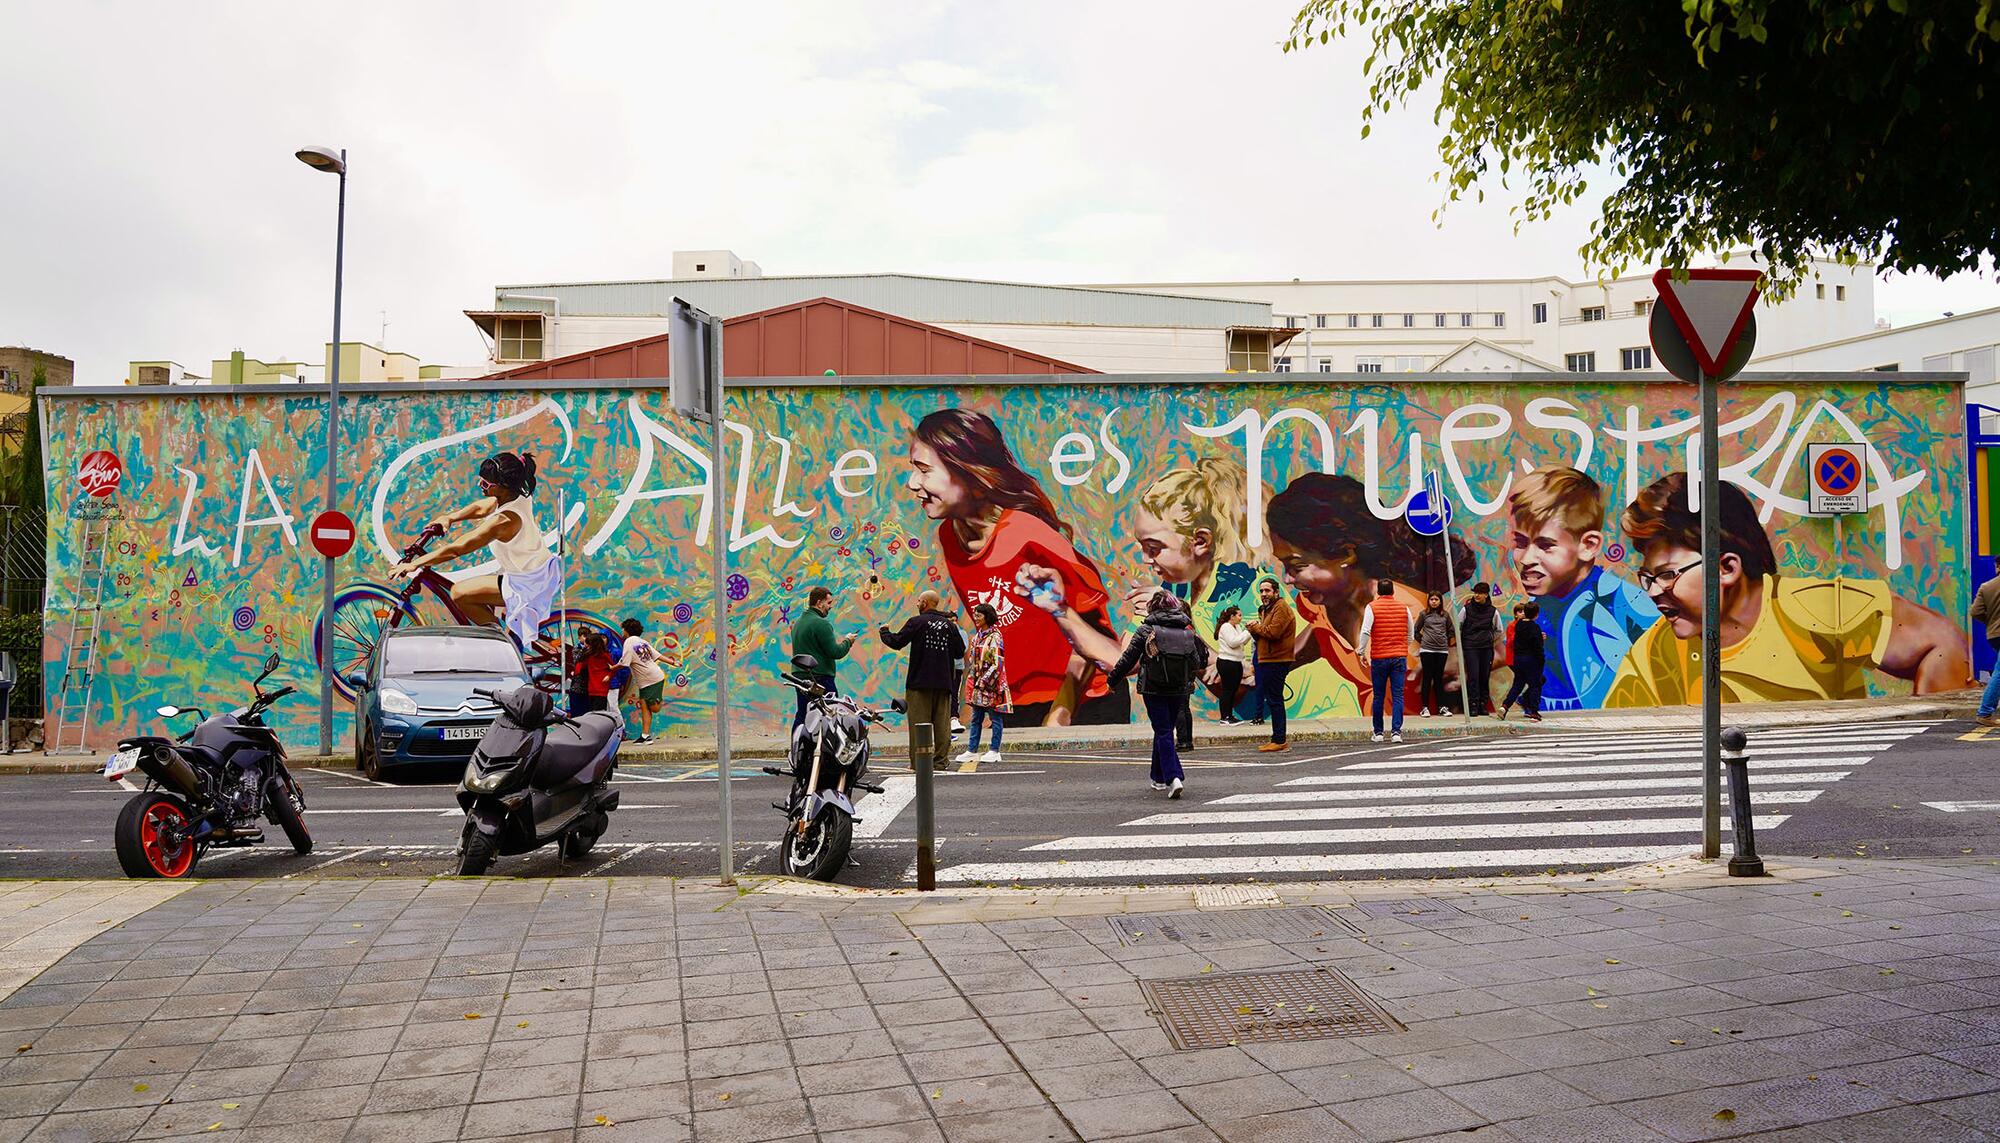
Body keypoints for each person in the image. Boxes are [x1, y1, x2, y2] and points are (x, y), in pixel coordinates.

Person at [1605, 473, 1968, 705]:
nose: (1653, 592)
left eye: (1667, 575)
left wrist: (1921, 748)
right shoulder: (1655, 654)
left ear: (1727, 567)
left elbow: (1941, 643)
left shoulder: (1812, 611)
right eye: (1647, 578)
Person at [907, 408, 1125, 726]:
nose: (913, 483)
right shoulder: (950, 536)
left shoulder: (1029, 535)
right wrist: (970, 714)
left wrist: (1059, 715)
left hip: (1082, 702)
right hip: (1012, 703)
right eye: (914, 469)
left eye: (925, 471)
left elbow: (1093, 637)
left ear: (969, 472)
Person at [1265, 473, 1475, 719]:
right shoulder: (1323, 603)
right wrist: (1261, 668)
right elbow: (1320, 637)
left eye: (1297, 566)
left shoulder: (1402, 613)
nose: (1287, 579)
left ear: (1346, 555)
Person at [1507, 467, 1659, 710]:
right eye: (1520, 543)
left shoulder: (1627, 607)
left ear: (1588, 545)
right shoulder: (1538, 606)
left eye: (1545, 545)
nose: (1526, 558)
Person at [1130, 456, 1266, 722]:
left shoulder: (1250, 585)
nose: (1146, 559)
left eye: (1155, 548)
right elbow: (1123, 660)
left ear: (1201, 541)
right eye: (1142, 547)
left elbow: (1241, 687)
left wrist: (1181, 633)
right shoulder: (1174, 589)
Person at [389, 451, 561, 654]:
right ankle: (503, 633)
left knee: (460, 593)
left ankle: (505, 645)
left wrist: (415, 564)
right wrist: (450, 518)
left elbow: (457, 549)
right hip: (538, 570)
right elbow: (482, 507)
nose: (481, 484)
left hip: (528, 582)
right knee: (478, 591)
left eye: (487, 483)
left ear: (503, 486)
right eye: (481, 480)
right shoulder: (518, 496)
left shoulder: (504, 522)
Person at [1107, 592, 1210, 799]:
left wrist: (1112, 681)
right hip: (1179, 689)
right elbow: (1199, 662)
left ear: (1152, 607)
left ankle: (1174, 777)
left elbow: (1128, 659)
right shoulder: (1187, 630)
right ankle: (1158, 777)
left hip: (1153, 689)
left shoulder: (1146, 630)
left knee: (1163, 730)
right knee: (1164, 730)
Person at [880, 591, 965, 773]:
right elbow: (959, 652)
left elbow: (897, 642)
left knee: (919, 724)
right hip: (943, 683)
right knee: (942, 725)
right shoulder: (950, 626)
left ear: (925, 603)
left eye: (919, 601)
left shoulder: (916, 622)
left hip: (919, 682)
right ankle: (940, 762)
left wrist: (884, 631)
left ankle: (918, 763)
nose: (917, 604)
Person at [1242, 577, 1297, 753]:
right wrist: (1255, 629)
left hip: (1277, 660)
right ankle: (1276, 738)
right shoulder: (1269, 609)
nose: (1264, 594)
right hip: (1268, 659)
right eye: (1262, 591)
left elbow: (1273, 633)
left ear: (1276, 592)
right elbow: (1263, 636)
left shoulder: (1281, 607)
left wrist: (1255, 627)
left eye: (1267, 590)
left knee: (1275, 700)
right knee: (1273, 699)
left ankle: (1280, 740)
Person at [790, 586, 857, 730]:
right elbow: (835, 652)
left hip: (800, 677)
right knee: (830, 715)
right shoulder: (821, 623)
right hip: (820, 679)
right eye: (829, 603)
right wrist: (848, 641)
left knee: (803, 715)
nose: (830, 607)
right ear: (819, 603)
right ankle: (828, 751)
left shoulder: (798, 623)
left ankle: (799, 749)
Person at [1358, 579, 1415, 742]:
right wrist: (1402, 646)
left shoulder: (1372, 607)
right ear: (1392, 592)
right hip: (1399, 658)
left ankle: (1378, 733)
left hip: (1379, 658)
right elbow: (1410, 633)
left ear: (1378, 592)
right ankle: (1396, 732)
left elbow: (1365, 631)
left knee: (1378, 696)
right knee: (1398, 695)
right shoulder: (1404, 608)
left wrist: (1361, 651)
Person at [960, 602, 1012, 764]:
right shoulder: (978, 636)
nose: (976, 618)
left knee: (995, 718)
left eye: (979, 615)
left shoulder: (995, 637)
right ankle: (972, 750)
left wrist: (983, 682)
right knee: (976, 718)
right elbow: (973, 660)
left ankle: (994, 750)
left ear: (987, 617)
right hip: (978, 685)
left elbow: (997, 663)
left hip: (991, 685)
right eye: (975, 615)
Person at [1457, 582, 1505, 716]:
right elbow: (1458, 625)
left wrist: (1488, 639)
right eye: (1475, 592)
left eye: (1480, 593)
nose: (1476, 595)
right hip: (1471, 647)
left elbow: (1498, 629)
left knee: (1484, 676)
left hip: (1486, 648)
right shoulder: (1466, 609)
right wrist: (1466, 641)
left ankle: (1482, 705)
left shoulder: (1493, 611)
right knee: (1473, 676)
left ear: (1486, 594)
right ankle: (1473, 704)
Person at [617, 617, 666, 744]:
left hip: (651, 679)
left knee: (654, 708)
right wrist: (673, 662)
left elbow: (624, 662)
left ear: (627, 630)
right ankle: (645, 736)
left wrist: (612, 668)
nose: (622, 631)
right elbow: (657, 655)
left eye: (623, 628)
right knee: (644, 706)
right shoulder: (641, 641)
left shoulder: (628, 641)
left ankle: (659, 701)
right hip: (649, 678)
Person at [1499, 602, 1546, 721]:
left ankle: (1505, 706)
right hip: (1531, 660)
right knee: (1535, 684)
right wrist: (1541, 659)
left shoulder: (1519, 625)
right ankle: (1534, 712)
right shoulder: (1534, 627)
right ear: (1536, 614)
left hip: (1518, 659)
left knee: (1518, 685)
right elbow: (1537, 646)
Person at [1415, 593, 1454, 717]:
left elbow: (1451, 630)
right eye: (1431, 599)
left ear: (1440, 601)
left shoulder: (1445, 615)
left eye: (1436, 599)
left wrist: (1445, 641)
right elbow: (1416, 631)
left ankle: (1442, 707)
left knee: (1438, 679)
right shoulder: (1423, 614)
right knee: (1427, 678)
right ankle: (1425, 708)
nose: (1434, 602)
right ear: (1428, 601)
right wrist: (1424, 641)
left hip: (1441, 651)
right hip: (1427, 651)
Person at [1213, 604, 1252, 724]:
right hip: (1227, 662)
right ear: (1232, 616)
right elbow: (1233, 642)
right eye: (1239, 615)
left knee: (1233, 689)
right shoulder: (1226, 627)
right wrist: (1247, 632)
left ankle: (1230, 715)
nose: (1241, 618)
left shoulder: (1237, 627)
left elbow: (1241, 643)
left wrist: (1248, 632)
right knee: (1228, 690)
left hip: (1236, 662)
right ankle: (1224, 717)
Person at [1974, 571, 2000, 726]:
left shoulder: (1986, 587)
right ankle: (1985, 712)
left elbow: (1975, 612)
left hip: (1994, 635)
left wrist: (1991, 622)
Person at [568, 629, 615, 715]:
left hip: (598, 688)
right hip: (588, 688)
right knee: (588, 713)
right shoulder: (587, 654)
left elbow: (613, 667)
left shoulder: (603, 655)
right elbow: (579, 666)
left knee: (598, 713)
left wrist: (609, 676)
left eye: (588, 644)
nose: (586, 645)